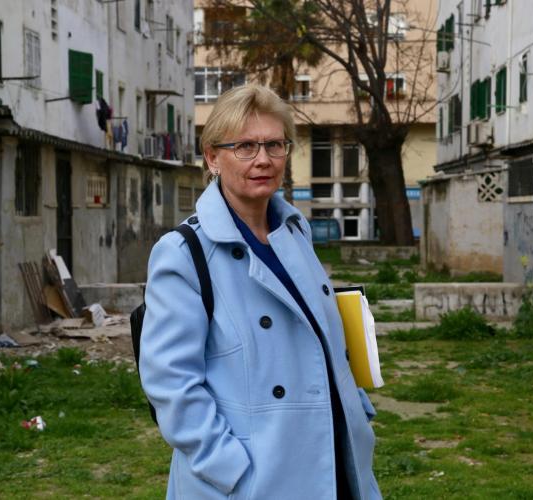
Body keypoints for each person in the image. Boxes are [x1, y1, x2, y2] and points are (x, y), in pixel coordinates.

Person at [140, 84, 381, 499]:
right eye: (245, 146)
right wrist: (231, 469)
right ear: (212, 157)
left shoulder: (294, 232)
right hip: (252, 479)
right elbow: (171, 383)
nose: (264, 159)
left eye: (275, 145)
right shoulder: (183, 253)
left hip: (330, 457)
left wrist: (354, 409)